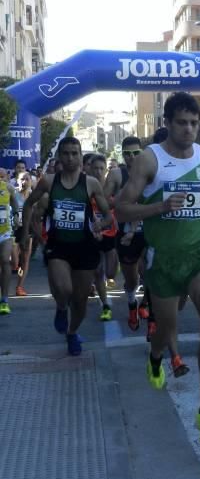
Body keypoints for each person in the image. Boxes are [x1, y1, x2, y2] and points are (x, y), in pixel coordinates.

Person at [115, 92, 200, 445]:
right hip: (162, 259)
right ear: (167, 124)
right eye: (182, 122)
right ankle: (156, 355)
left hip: (199, 256)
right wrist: (160, 208)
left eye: (194, 123)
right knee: (166, 328)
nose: (189, 129)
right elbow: (122, 209)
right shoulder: (150, 160)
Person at [21, 137, 113, 354]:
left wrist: (100, 224)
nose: (71, 158)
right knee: (64, 289)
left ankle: (72, 333)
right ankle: (61, 308)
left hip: (85, 247)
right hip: (58, 246)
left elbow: (109, 216)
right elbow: (28, 204)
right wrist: (25, 233)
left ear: (81, 157)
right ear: (60, 157)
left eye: (75, 153)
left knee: (80, 301)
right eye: (66, 153)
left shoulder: (91, 183)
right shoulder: (49, 182)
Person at [104, 136, 150, 331]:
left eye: (136, 153)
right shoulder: (116, 174)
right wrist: (123, 202)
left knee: (153, 274)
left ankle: (147, 305)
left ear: (142, 153)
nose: (131, 158)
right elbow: (104, 201)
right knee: (132, 279)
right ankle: (132, 303)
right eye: (127, 154)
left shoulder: (152, 171)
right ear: (122, 155)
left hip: (148, 230)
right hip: (125, 233)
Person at [85, 154, 117, 322]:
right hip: (94, 234)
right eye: (95, 168)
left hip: (111, 233)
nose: (98, 171)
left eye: (101, 168)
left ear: (106, 170)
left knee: (110, 274)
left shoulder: (112, 188)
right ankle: (105, 306)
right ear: (89, 168)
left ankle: (115, 265)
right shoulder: (87, 187)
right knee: (98, 272)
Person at [0, 169, 21, 314]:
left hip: (5, 232)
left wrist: (16, 216)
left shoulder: (8, 187)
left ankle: (4, 299)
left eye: (2, 176)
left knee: (4, 260)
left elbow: (14, 202)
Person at [13, 171, 33, 296]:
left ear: (30, 181)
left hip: (27, 230)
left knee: (25, 260)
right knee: (14, 261)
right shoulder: (13, 193)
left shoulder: (33, 195)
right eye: (22, 179)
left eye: (27, 179)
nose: (24, 182)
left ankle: (19, 286)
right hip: (13, 230)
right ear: (17, 180)